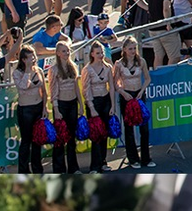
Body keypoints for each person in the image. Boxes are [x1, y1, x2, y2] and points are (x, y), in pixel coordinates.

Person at [113, 36, 155, 168]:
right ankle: (133, 158)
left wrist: (142, 91)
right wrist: (123, 93)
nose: (132, 51)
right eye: (130, 48)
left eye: (134, 48)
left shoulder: (141, 61)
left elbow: (147, 79)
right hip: (127, 96)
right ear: (124, 49)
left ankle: (146, 158)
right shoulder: (119, 64)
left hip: (139, 94)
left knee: (144, 128)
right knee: (129, 128)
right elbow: (115, 83)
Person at [48, 39, 82, 174]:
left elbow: (76, 87)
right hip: (61, 105)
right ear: (57, 53)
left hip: (72, 103)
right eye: (63, 51)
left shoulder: (73, 66)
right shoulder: (54, 69)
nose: (67, 53)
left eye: (68, 50)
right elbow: (53, 90)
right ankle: (59, 168)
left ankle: (74, 168)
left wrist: (80, 104)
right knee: (60, 139)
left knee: (71, 139)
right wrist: (56, 109)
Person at [81, 41, 115, 173]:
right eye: (97, 53)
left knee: (104, 133)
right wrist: (91, 107)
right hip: (93, 101)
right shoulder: (87, 69)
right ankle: (94, 165)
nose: (100, 55)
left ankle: (103, 161)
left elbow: (111, 86)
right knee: (96, 134)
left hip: (105, 99)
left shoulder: (107, 67)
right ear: (92, 54)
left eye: (102, 52)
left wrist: (112, 105)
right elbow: (85, 89)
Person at [12, 44, 47, 174]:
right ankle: (24, 170)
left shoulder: (39, 70)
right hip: (25, 109)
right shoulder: (17, 73)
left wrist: (44, 108)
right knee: (26, 141)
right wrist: (27, 71)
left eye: (33, 57)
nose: (32, 60)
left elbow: (43, 90)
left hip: (38, 107)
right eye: (29, 58)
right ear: (23, 59)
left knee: (37, 141)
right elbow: (23, 86)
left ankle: (38, 168)